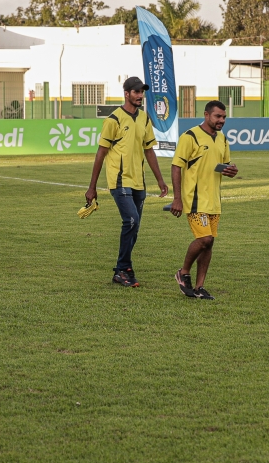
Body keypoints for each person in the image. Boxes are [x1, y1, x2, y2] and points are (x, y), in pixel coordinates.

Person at [85, 76, 168, 286]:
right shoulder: (113, 120)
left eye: (142, 92)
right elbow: (101, 153)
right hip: (119, 180)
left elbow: (149, 150)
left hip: (139, 181)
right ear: (127, 93)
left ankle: (124, 269)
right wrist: (92, 187)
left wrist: (160, 180)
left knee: (135, 226)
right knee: (131, 220)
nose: (140, 95)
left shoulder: (144, 118)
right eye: (136, 92)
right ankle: (122, 269)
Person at [170, 100, 237, 300]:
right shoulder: (190, 137)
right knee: (204, 239)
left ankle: (199, 287)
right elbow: (176, 166)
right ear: (206, 115)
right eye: (218, 116)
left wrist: (230, 170)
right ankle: (183, 272)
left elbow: (223, 166)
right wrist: (177, 198)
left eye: (224, 117)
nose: (221, 120)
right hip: (195, 199)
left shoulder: (223, 139)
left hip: (214, 200)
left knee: (209, 243)